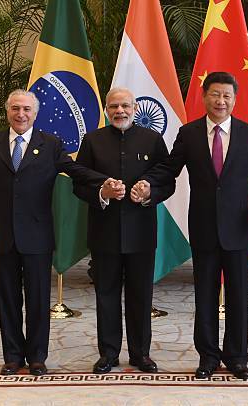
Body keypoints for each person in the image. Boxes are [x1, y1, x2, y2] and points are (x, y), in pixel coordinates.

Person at [132, 72, 248, 380]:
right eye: (215, 94)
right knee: (206, 296)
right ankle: (208, 357)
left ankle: (238, 357)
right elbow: (169, 169)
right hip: (203, 228)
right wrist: (147, 183)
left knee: (238, 296)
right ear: (204, 96)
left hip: (239, 231)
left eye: (227, 95)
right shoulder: (188, 134)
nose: (221, 101)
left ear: (234, 99)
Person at [0, 89, 103, 376]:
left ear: (35, 113)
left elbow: (75, 170)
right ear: (7, 111)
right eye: (16, 109)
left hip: (37, 235)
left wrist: (104, 180)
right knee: (7, 298)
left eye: (27, 110)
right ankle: (12, 356)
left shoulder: (50, 144)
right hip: (3, 235)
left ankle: (36, 357)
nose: (21, 114)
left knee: (37, 300)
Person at [72, 87, 174, 374]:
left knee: (141, 296)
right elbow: (78, 183)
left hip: (142, 234)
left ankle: (141, 354)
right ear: (106, 109)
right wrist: (101, 193)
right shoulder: (92, 141)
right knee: (106, 295)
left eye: (125, 106)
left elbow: (168, 180)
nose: (120, 111)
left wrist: (150, 192)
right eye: (114, 106)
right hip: (104, 233)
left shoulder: (152, 140)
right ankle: (109, 354)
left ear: (135, 108)